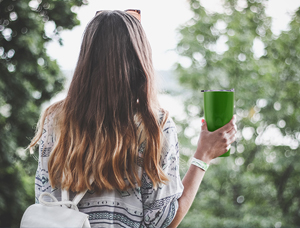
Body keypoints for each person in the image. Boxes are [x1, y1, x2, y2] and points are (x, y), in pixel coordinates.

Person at [27, 10, 237, 228]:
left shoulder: (56, 120)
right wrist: (203, 156)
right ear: (139, 59)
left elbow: (45, 205)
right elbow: (163, 222)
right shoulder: (154, 126)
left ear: (86, 58)